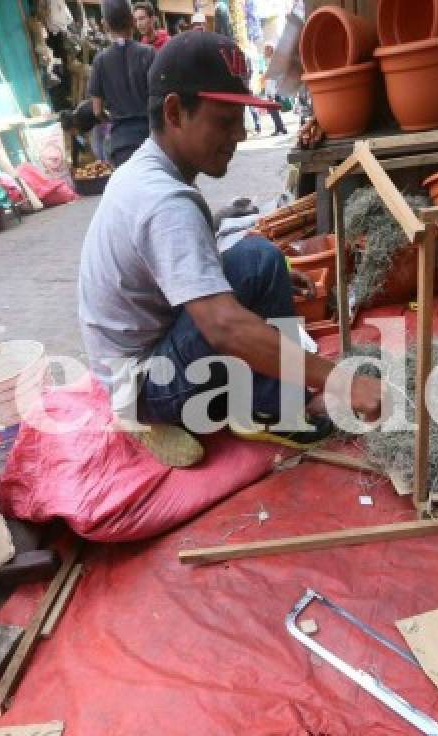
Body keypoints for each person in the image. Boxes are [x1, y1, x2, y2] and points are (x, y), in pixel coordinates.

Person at [78, 31, 384, 465]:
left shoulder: (145, 168)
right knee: (253, 271)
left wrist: (256, 281)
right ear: (174, 111)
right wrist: (342, 382)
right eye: (224, 121)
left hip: (132, 365)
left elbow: (184, 269)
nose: (239, 135)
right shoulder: (166, 203)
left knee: (260, 259)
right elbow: (223, 327)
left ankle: (260, 396)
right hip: (150, 386)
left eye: (240, 119)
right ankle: (277, 411)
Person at [88, 0, 154, 167]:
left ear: (105, 25)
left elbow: (97, 111)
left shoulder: (100, 61)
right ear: (132, 20)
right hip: (152, 139)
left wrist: (113, 121)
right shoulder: (148, 53)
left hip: (121, 145)